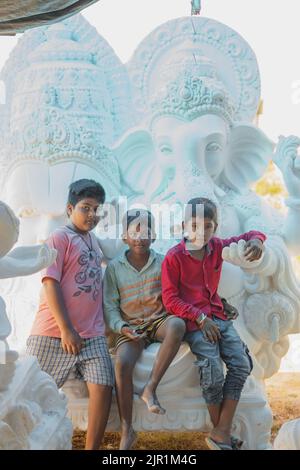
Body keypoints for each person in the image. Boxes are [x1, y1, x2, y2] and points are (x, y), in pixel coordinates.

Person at [161, 197, 266, 450]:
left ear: (215, 227)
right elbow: (169, 299)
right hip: (195, 324)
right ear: (185, 225)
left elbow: (252, 233)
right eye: (195, 224)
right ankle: (223, 435)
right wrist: (199, 317)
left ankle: (221, 432)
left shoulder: (217, 247)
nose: (201, 231)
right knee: (212, 374)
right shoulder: (174, 257)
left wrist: (256, 240)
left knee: (242, 364)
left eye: (208, 225)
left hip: (218, 318)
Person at [26, 179, 115, 450]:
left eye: (97, 209)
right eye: (85, 208)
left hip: (92, 335)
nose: (92, 215)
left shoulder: (92, 241)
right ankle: (26, 441)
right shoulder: (59, 238)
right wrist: (66, 328)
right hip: (53, 333)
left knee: (103, 385)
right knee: (33, 395)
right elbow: (50, 282)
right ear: (69, 208)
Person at [103, 209, 186, 450]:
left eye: (146, 230)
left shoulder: (164, 262)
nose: (140, 236)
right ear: (124, 237)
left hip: (158, 322)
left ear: (154, 235)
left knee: (177, 324)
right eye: (134, 231)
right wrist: (122, 328)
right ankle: (127, 430)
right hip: (130, 328)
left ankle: (150, 388)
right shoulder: (114, 268)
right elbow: (110, 307)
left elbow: (175, 295)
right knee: (122, 363)